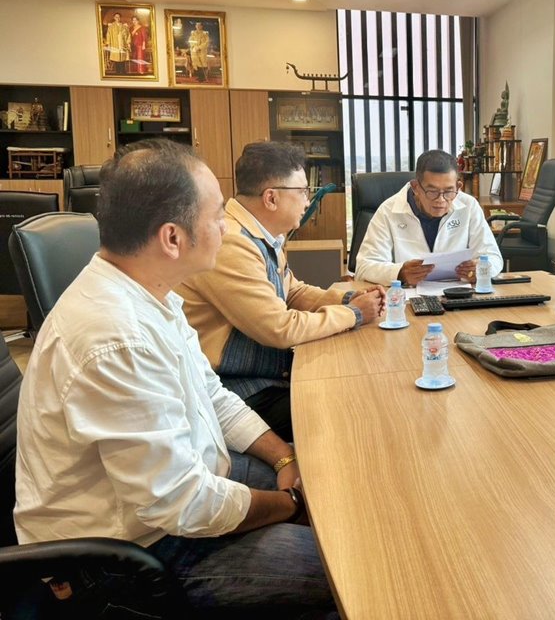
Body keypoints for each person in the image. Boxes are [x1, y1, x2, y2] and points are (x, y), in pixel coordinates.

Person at [14, 139, 338, 616]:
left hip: (183, 490)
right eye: (217, 215)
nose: (227, 225)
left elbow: (213, 395)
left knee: (330, 494)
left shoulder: (153, 293)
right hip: (130, 553)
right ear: (172, 238)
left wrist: (284, 456)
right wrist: (288, 503)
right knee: (343, 570)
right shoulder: (115, 335)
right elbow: (181, 503)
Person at [179, 141, 384, 440]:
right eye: (302, 191)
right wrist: (353, 314)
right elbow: (279, 328)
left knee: (356, 382)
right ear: (271, 198)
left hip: (266, 370)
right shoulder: (233, 243)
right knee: (349, 409)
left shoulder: (260, 233)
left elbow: (292, 292)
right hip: (237, 388)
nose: (307, 200)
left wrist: (348, 298)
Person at [355, 149, 503, 286]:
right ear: (415, 187)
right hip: (408, 296)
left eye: (448, 191)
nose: (441, 200)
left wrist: (482, 269)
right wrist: (400, 273)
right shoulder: (388, 211)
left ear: (458, 186)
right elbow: (363, 267)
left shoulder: (469, 206)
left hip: (458, 294)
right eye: (432, 191)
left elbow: (494, 257)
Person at [104, 11, 129, 75]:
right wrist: (108, 43)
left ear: (120, 18)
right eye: (116, 17)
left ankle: (123, 71)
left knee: (122, 57)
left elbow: (127, 34)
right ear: (114, 18)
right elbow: (108, 35)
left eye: (118, 17)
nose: (117, 18)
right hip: (115, 43)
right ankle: (118, 72)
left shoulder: (123, 26)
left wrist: (127, 42)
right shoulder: (111, 26)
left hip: (122, 44)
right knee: (116, 58)